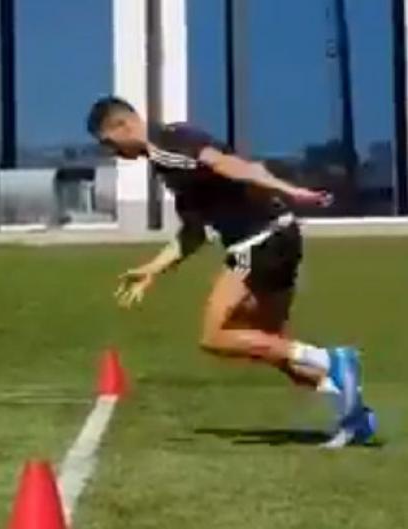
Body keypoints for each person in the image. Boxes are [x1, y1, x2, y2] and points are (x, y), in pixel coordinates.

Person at [86, 96, 375, 447]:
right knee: (273, 347)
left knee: (215, 335)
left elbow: (230, 165)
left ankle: (333, 360)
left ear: (123, 126)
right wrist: (152, 271)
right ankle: (354, 416)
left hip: (260, 239)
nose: (114, 154)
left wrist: (289, 189)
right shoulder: (167, 163)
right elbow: (193, 234)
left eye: (110, 144)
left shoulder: (168, 145)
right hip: (278, 235)